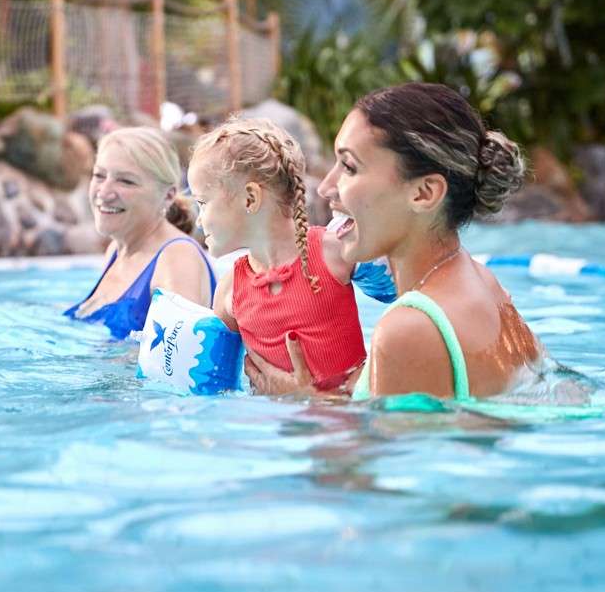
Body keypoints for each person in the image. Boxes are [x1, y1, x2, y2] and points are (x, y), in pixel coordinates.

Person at [245, 82, 545, 401]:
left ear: (423, 193)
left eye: (349, 167)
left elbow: (392, 450)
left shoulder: (407, 330)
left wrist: (306, 398)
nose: (326, 187)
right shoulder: (484, 284)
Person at [187, 118, 365, 393]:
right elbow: (213, 387)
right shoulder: (229, 292)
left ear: (250, 199)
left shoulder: (335, 253)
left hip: (344, 429)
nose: (199, 221)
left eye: (202, 202)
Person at [66, 126, 215, 339]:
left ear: (168, 195)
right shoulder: (116, 251)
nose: (104, 192)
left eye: (126, 181)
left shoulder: (177, 259)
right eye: (99, 175)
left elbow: (180, 361)